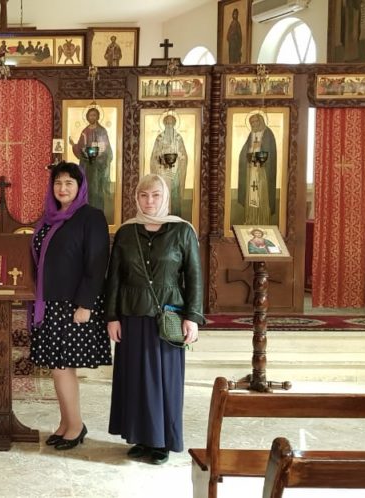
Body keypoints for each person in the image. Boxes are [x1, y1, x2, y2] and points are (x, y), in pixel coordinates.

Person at [105, 173, 203, 465]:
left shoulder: (182, 231)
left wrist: (192, 317)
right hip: (132, 315)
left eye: (156, 195)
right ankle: (141, 437)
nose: (149, 201)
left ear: (166, 197)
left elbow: (194, 276)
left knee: (165, 381)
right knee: (135, 380)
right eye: (144, 195)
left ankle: (162, 441)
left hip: (168, 318)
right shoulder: (126, 232)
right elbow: (115, 278)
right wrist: (112, 316)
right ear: (136, 197)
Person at [29, 162, 111, 450]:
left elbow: (97, 263)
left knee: (63, 367)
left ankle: (75, 426)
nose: (62, 188)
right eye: (58, 183)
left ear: (80, 187)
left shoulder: (91, 217)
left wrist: (85, 304)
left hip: (74, 305)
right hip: (50, 303)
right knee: (57, 368)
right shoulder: (49, 219)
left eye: (68, 183)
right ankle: (66, 424)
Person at [69, 107, 113, 220]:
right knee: (87, 190)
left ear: (98, 117)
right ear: (87, 117)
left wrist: (99, 155)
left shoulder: (102, 131)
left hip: (98, 167)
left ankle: (98, 217)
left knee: (97, 192)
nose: (92, 117)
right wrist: (74, 145)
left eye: (94, 115)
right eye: (90, 115)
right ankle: (87, 217)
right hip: (87, 166)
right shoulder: (85, 131)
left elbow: (107, 149)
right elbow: (80, 148)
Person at [237, 113, 277, 225]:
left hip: (262, 172)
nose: (253, 124)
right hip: (251, 170)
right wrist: (250, 152)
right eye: (251, 123)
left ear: (261, 121)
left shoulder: (268, 134)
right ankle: (250, 219)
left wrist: (257, 154)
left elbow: (269, 153)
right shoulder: (251, 135)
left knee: (261, 195)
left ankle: (262, 220)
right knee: (251, 195)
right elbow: (245, 152)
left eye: (255, 122)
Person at [148, 114, 190, 218]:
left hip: (175, 171)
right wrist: (160, 157)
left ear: (174, 124)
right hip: (162, 171)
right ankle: (162, 216)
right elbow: (154, 155)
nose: (169, 126)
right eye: (167, 123)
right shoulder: (160, 138)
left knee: (174, 193)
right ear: (164, 124)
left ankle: (175, 217)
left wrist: (180, 157)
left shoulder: (178, 138)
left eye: (171, 123)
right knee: (163, 191)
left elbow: (184, 155)